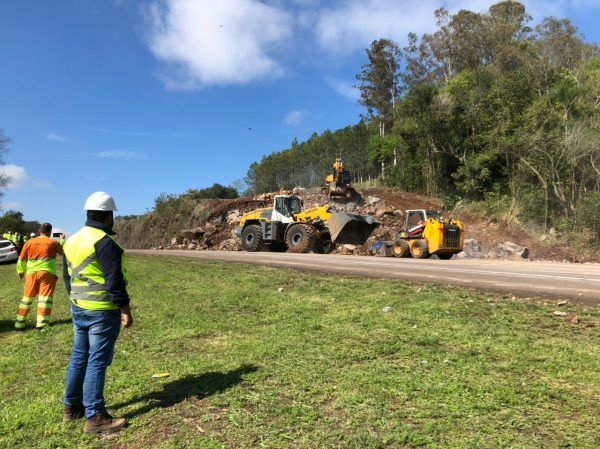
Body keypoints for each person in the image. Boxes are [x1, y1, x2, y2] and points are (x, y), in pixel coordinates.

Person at [62, 191, 133, 434]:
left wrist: (76, 301)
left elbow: (67, 277)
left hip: (79, 308)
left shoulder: (71, 241)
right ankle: (95, 417)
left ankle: (71, 408)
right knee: (97, 362)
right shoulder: (105, 242)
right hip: (102, 311)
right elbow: (115, 281)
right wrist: (125, 309)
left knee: (79, 357)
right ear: (108, 216)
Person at [14, 223, 64, 330]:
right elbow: (63, 251)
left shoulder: (29, 242)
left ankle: (19, 324)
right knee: (44, 299)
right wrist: (62, 240)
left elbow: (21, 258)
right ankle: (41, 325)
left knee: (27, 298)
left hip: (31, 274)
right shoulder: (53, 242)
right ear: (50, 232)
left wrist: (20, 271)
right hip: (47, 273)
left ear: (39, 231)